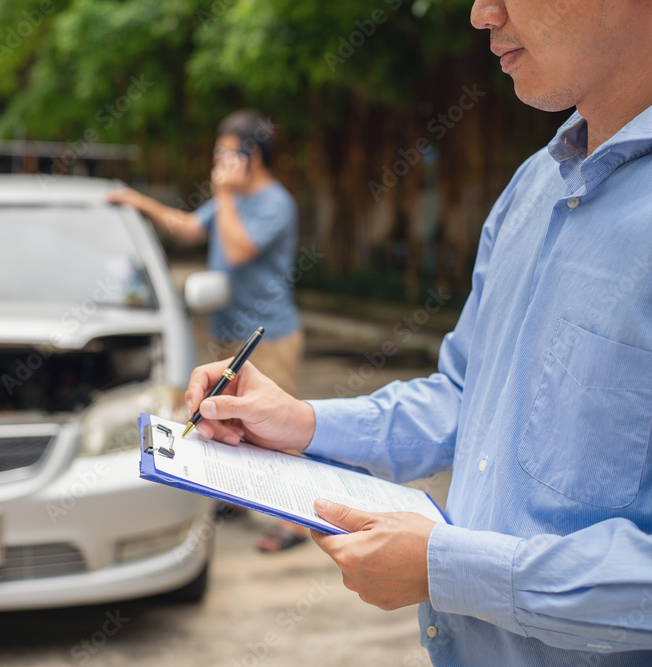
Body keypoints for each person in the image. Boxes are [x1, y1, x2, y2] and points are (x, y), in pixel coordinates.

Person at [184, 0, 652, 664]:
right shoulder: (533, 187)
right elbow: (467, 394)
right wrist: (303, 422)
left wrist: (450, 567)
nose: (480, 13)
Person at [108, 110, 310, 551]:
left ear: (251, 155)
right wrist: (137, 201)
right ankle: (238, 498)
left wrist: (223, 194)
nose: (216, 161)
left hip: (268, 336)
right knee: (232, 422)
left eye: (224, 152)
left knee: (277, 428)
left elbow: (237, 251)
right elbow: (188, 228)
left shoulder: (275, 202)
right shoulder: (230, 199)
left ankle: (295, 523)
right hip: (228, 333)